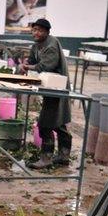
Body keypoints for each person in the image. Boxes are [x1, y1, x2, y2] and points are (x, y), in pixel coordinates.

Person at [21, 19, 70, 168]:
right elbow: (31, 61)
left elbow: (46, 65)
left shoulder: (51, 44)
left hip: (57, 87)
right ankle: (63, 156)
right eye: (34, 29)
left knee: (46, 123)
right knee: (59, 122)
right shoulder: (36, 45)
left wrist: (29, 66)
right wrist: (26, 64)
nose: (36, 33)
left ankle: (46, 158)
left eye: (40, 30)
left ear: (47, 32)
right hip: (48, 86)